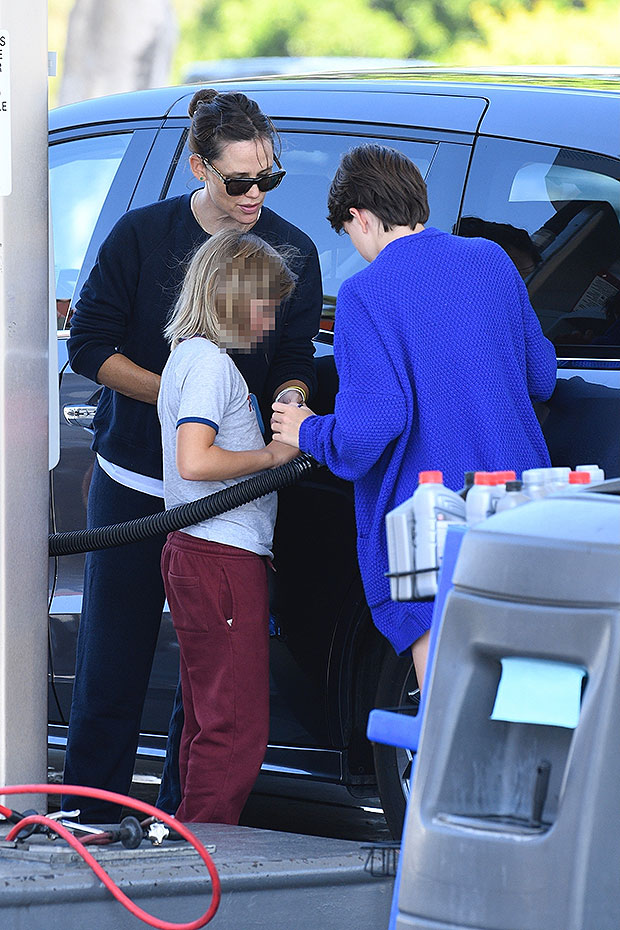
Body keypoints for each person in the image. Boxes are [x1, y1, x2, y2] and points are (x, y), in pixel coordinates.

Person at [64, 88, 322, 822]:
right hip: (134, 479)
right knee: (112, 660)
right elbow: (89, 346)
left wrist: (289, 403)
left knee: (207, 677)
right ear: (199, 167)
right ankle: (90, 817)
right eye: (238, 180)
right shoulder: (142, 235)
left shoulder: (293, 248)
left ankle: (179, 828)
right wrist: (184, 401)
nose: (254, 195)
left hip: (223, 497)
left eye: (268, 178)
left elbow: (295, 354)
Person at [271, 143, 556, 687]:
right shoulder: (491, 259)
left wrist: (306, 429)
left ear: (358, 216)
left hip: (431, 523)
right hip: (521, 511)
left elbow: (368, 431)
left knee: (449, 709)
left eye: (348, 233)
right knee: (531, 700)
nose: (357, 248)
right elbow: (540, 377)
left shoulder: (365, 294)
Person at [158, 229, 298, 823]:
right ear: (232, 297)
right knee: (234, 726)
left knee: (204, 716)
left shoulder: (185, 356)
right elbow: (196, 459)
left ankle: (188, 835)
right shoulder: (213, 366)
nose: (270, 322)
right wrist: (272, 455)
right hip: (222, 556)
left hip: (193, 551)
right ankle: (208, 850)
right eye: (265, 305)